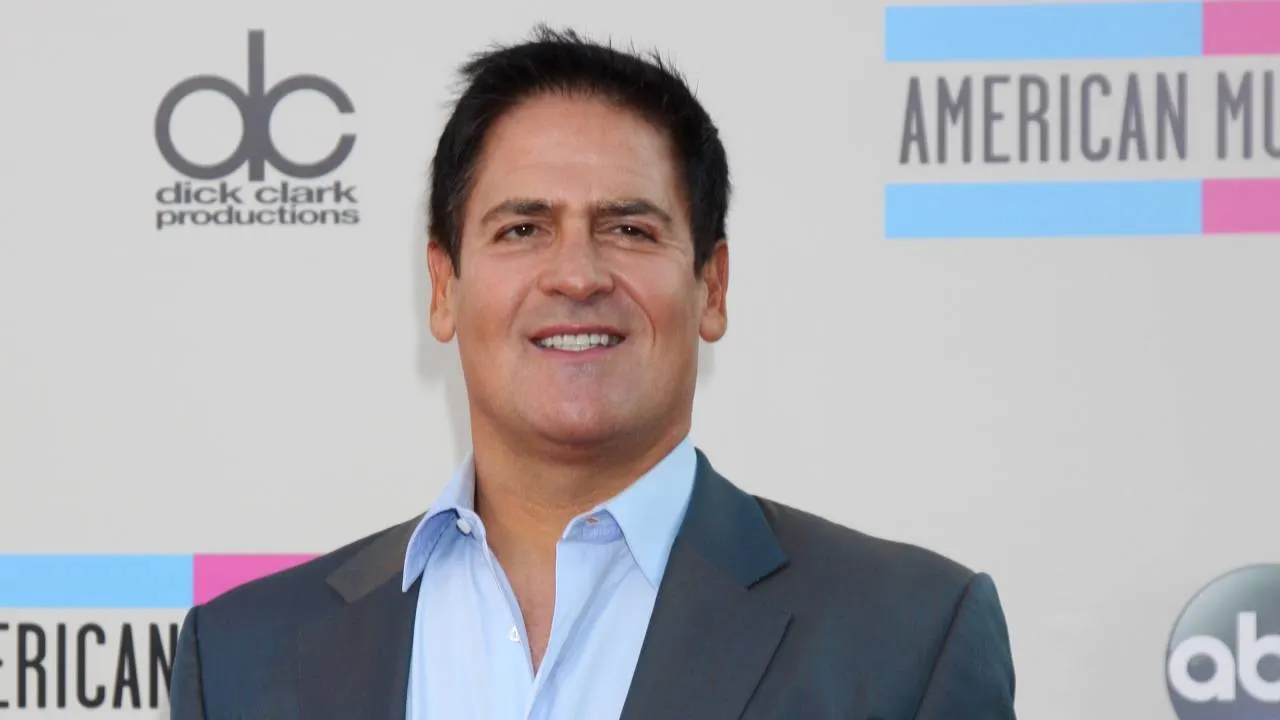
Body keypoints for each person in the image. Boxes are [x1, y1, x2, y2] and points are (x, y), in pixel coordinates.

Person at [170, 25, 1016, 719]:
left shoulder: (906, 640)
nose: (576, 275)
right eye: (522, 230)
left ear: (713, 287)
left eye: (629, 230)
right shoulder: (245, 658)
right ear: (444, 288)